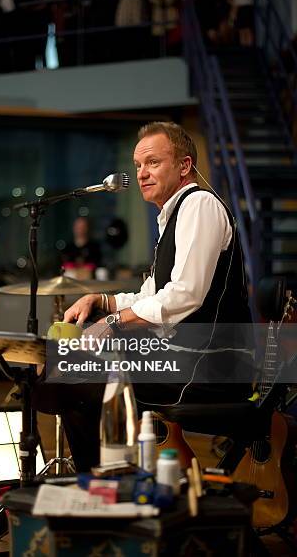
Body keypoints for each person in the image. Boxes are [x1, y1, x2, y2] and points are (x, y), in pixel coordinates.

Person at [32, 121, 253, 472]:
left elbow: (185, 295)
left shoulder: (199, 205)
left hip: (210, 364)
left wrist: (113, 322)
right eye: (137, 166)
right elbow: (152, 294)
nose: (141, 173)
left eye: (153, 162)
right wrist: (102, 302)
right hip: (188, 356)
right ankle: (105, 478)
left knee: (76, 376)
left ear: (184, 166)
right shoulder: (172, 216)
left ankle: (102, 483)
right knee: (70, 370)